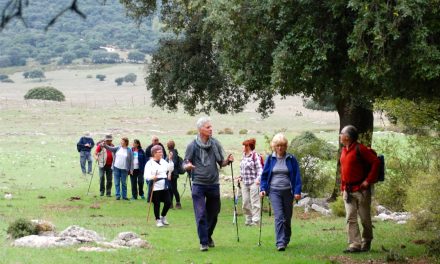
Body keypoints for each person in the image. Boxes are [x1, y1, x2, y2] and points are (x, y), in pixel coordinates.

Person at [183, 117, 234, 252]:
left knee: (214, 213)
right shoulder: (192, 145)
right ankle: (204, 242)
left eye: (211, 127)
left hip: (213, 184)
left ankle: (208, 235)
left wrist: (228, 161)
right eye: (208, 127)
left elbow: (221, 162)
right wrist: (188, 165)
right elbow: (184, 163)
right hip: (198, 184)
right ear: (200, 130)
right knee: (201, 214)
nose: (211, 129)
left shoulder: (215, 144)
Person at [339, 125, 380, 253]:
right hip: (348, 190)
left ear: (347, 137)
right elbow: (344, 171)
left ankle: (367, 240)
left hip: (361, 191)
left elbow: (376, 162)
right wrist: (342, 188)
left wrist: (368, 181)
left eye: (341, 134)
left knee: (364, 218)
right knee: (350, 217)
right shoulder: (344, 150)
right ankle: (355, 245)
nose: (340, 136)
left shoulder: (360, 149)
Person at [259, 133, 302, 251]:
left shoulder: (291, 159)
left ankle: (286, 238)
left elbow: (297, 177)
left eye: (282, 145)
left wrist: (297, 191)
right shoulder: (270, 159)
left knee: (287, 218)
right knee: (279, 216)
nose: (280, 148)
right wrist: (262, 189)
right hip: (274, 191)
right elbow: (265, 176)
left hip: (288, 191)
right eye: (277, 145)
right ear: (274, 146)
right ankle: (280, 242)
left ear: (285, 146)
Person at [144, 145, 174, 227]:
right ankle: (158, 220)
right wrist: (152, 177)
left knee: (168, 202)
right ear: (154, 153)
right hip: (155, 186)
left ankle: (163, 216)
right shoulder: (149, 163)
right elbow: (146, 175)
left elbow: (170, 168)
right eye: (159, 152)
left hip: (164, 185)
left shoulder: (163, 161)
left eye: (161, 151)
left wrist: (170, 159)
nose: (161, 153)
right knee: (156, 204)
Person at [239, 138, 263, 226]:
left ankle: (255, 221)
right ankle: (248, 220)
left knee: (255, 202)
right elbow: (242, 168)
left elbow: (260, 169)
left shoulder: (255, 156)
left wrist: (258, 179)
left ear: (248, 146)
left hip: (254, 182)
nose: (243, 147)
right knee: (245, 202)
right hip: (245, 183)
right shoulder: (243, 155)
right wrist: (240, 177)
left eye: (244, 146)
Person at [145, 135, 167, 201]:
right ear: (152, 141)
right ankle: (149, 198)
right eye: (155, 140)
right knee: (150, 184)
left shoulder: (161, 146)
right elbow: (146, 158)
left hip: (160, 166)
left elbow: (164, 155)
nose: (156, 141)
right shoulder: (149, 148)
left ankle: (160, 198)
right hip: (152, 169)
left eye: (157, 140)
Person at [167, 140, 182, 209]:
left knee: (173, 189)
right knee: (171, 189)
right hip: (171, 174)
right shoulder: (172, 152)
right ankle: (171, 204)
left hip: (173, 174)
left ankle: (178, 203)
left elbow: (174, 163)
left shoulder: (173, 153)